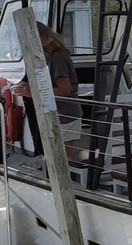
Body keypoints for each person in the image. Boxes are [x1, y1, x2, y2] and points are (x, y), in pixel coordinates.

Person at [13, 22, 83, 160]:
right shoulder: (49, 58)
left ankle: (74, 180)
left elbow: (65, 89)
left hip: (66, 115)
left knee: (64, 157)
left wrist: (32, 93)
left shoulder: (58, 58)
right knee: (58, 156)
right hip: (58, 113)